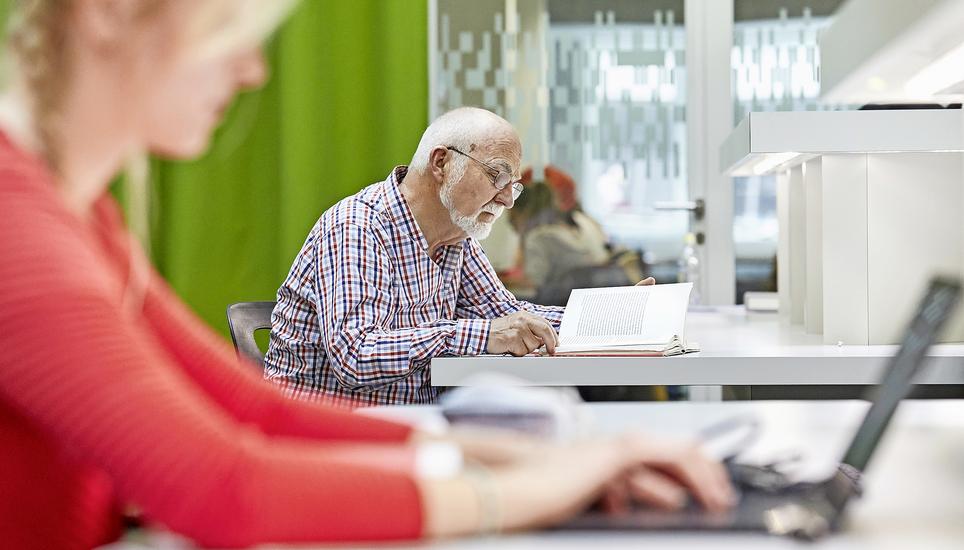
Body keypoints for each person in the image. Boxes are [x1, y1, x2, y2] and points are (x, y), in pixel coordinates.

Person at [0, 1, 731, 549]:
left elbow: (256, 412)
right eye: (226, 26)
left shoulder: (83, 215)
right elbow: (227, 487)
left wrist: (548, 455)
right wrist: (536, 486)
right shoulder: (18, 225)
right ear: (108, 13)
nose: (253, 70)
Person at [265, 108, 656, 405]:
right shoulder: (357, 225)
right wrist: (484, 336)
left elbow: (508, 316)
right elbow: (356, 355)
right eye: (496, 176)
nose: (505, 199)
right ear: (441, 163)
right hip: (326, 436)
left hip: (414, 428)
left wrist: (610, 318)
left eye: (513, 187)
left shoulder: (459, 235)